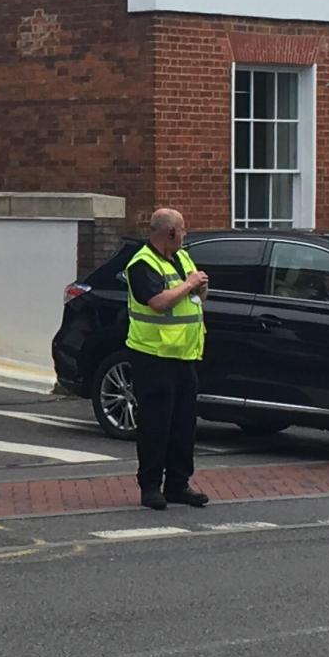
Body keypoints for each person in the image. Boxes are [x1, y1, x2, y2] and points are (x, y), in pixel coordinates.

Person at [125, 207, 211, 511]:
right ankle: (150, 486)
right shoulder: (142, 264)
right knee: (155, 424)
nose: (185, 235)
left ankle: (178, 484)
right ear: (170, 232)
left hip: (185, 355)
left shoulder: (182, 258)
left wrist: (201, 288)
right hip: (154, 356)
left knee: (183, 424)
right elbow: (158, 303)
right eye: (183, 230)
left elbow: (196, 299)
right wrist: (188, 285)